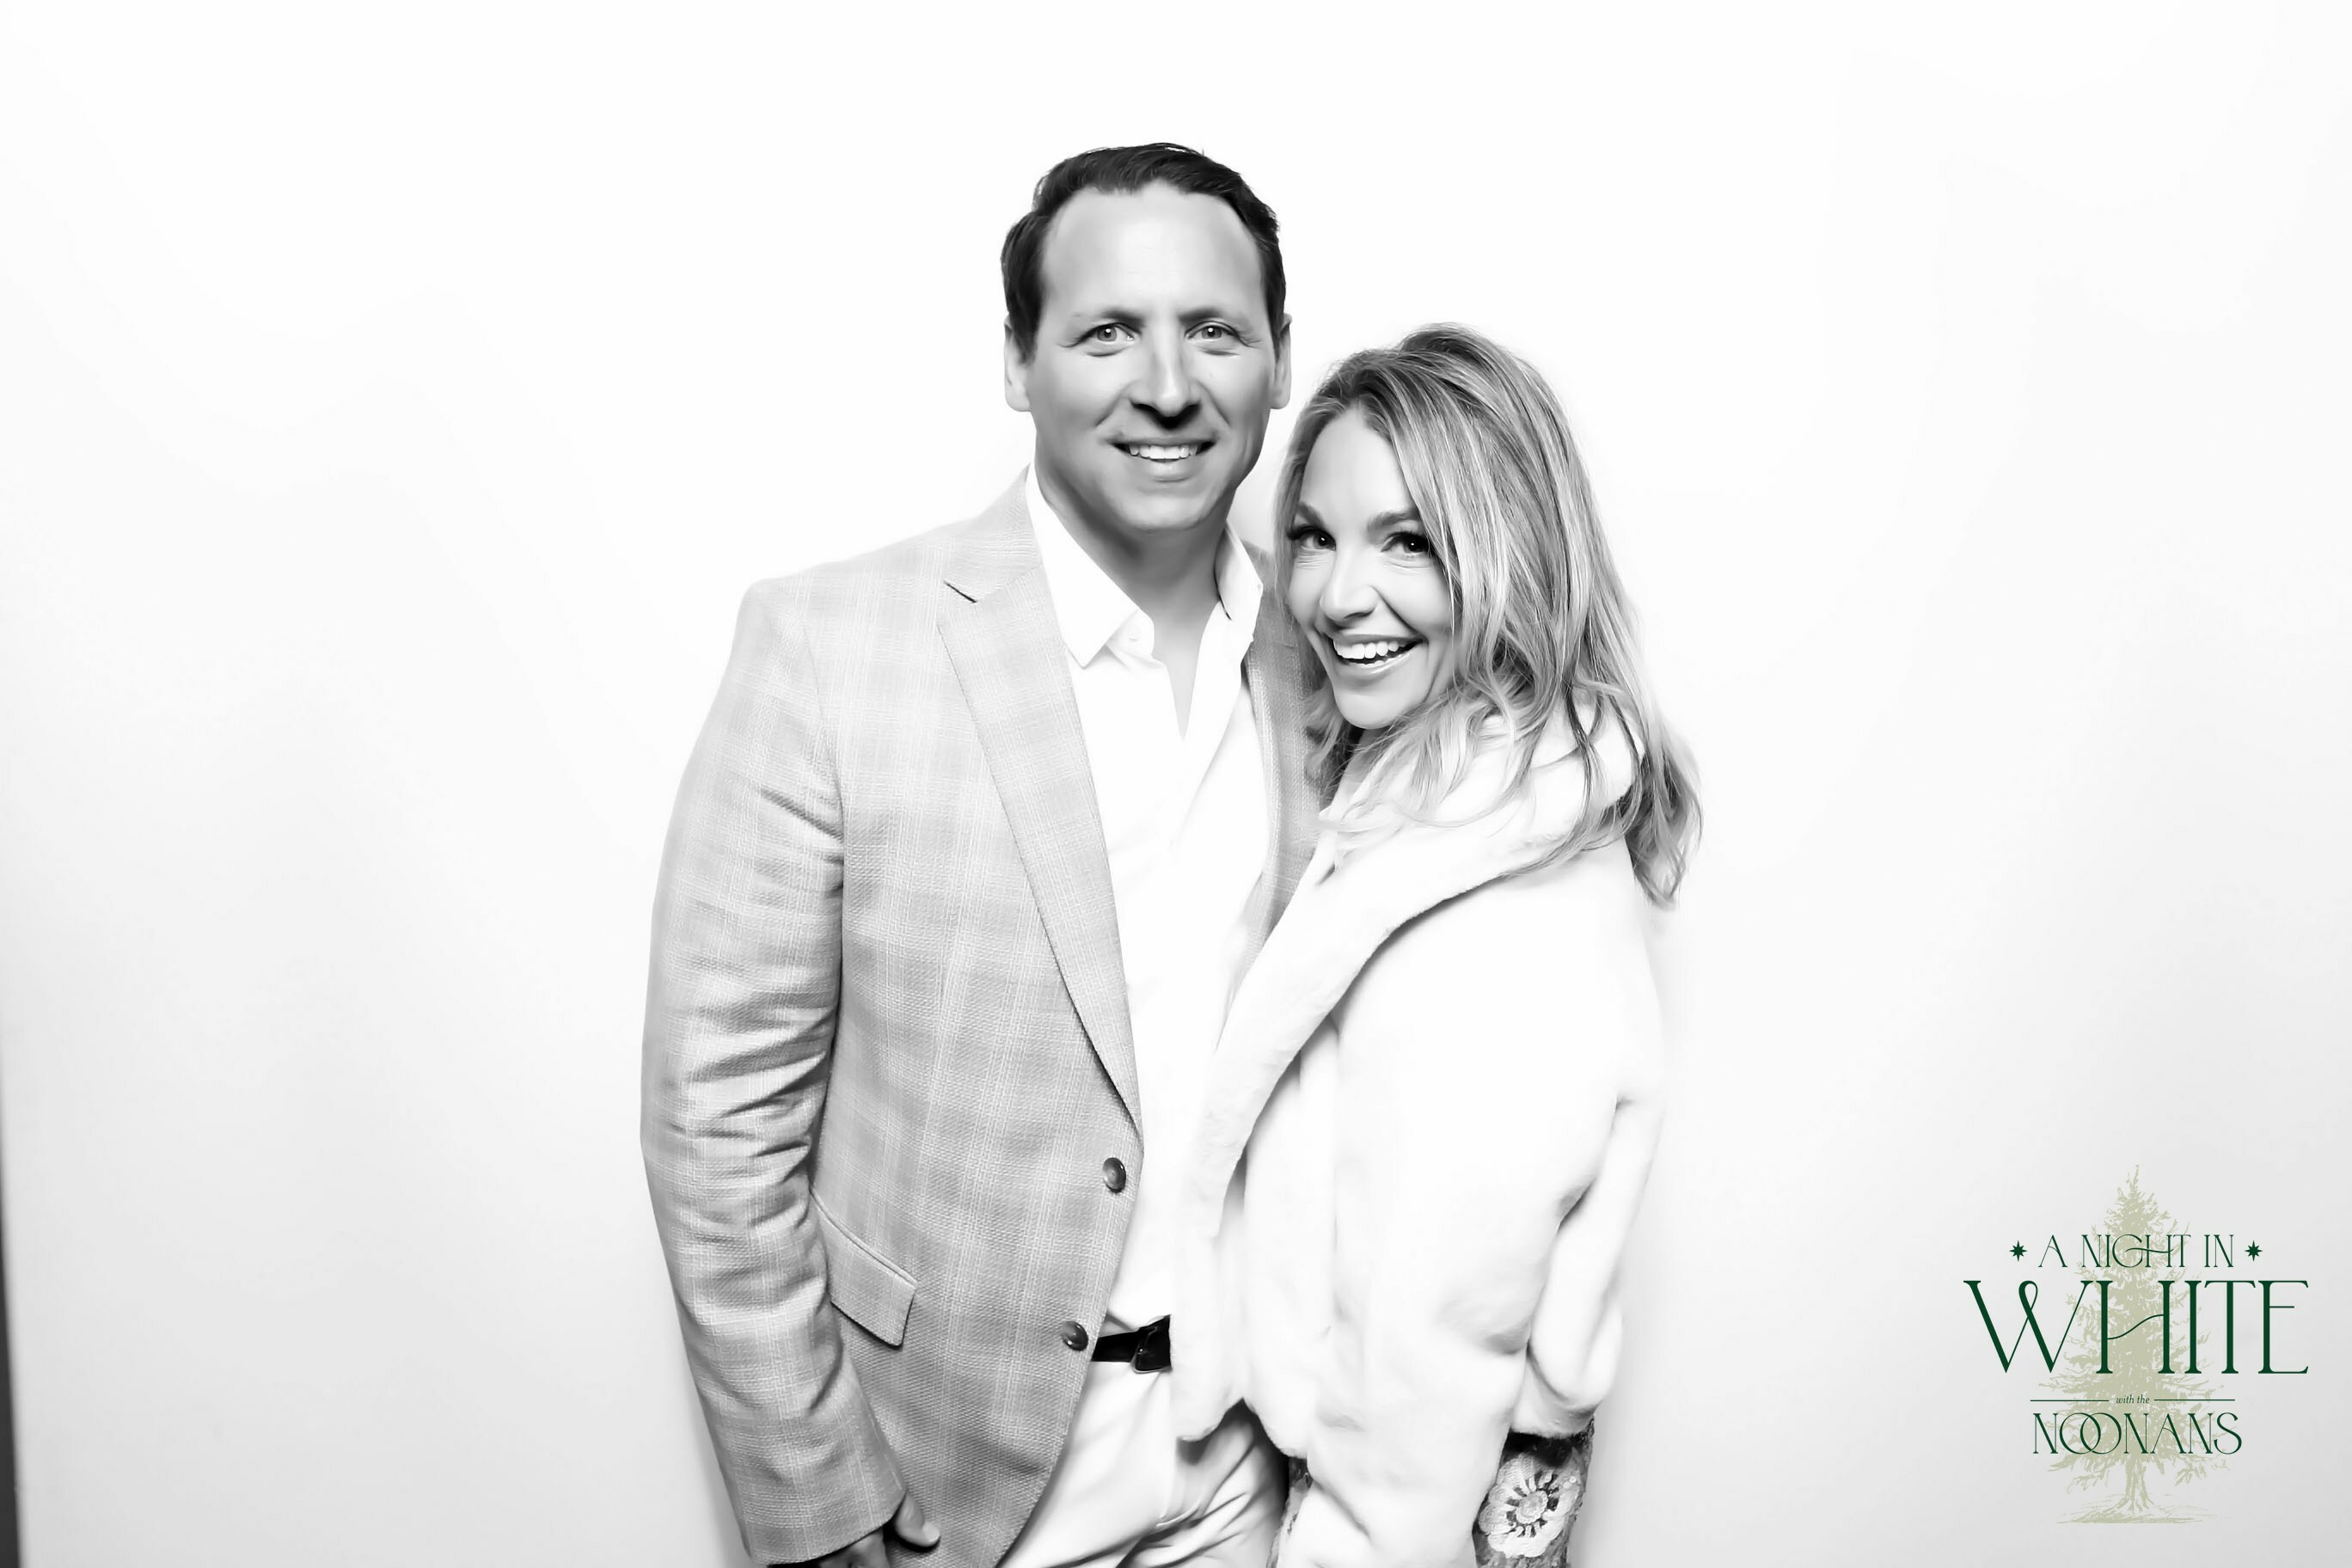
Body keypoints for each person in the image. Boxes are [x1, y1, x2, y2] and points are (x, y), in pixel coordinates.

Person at [641, 144, 1321, 1568]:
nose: (1168, 385)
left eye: (1214, 330)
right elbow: (719, 1124)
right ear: (1018, 364)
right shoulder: (828, 649)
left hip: (1247, 1474)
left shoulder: (1331, 665)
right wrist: (821, 1512)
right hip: (941, 1485)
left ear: (1278, 359)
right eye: (1106, 332)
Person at [1167, 325, 1700, 1568]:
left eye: (1408, 541)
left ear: (1507, 555)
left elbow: (1431, 1339)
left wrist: (1354, 1539)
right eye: (1314, 535)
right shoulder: (1463, 799)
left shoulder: (1497, 911)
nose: (1336, 595)